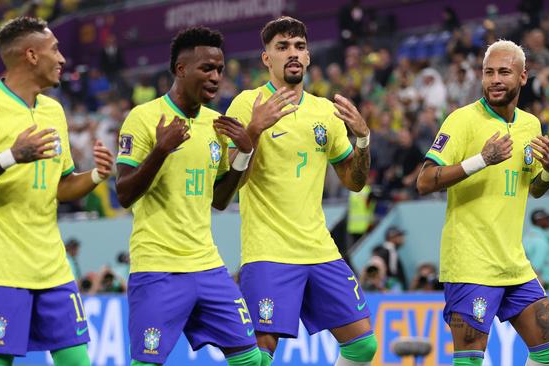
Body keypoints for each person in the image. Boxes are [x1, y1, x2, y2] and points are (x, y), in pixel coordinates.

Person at [0, 16, 114, 365]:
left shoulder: (53, 111)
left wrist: (96, 175)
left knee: (79, 361)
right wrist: (10, 157)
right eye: (55, 50)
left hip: (53, 268)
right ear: (31, 55)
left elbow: (61, 187)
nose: (62, 59)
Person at [226, 17, 375, 366]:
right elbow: (231, 184)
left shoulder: (325, 111)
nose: (292, 54)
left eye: (299, 47)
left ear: (308, 57)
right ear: (267, 59)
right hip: (268, 251)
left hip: (319, 249)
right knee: (257, 357)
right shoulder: (247, 104)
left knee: (363, 346)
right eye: (282, 47)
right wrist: (254, 130)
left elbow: (355, 182)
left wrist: (364, 138)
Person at [115, 27, 260, 366]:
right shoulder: (144, 118)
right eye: (207, 68)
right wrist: (160, 151)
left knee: (251, 359)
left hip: (207, 266)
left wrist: (245, 153)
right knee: (146, 362)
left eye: (220, 70)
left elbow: (220, 200)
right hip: (157, 267)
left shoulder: (217, 125)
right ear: (181, 70)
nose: (216, 77)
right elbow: (123, 193)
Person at [417, 39, 549, 366]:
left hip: (513, 263)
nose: (495, 79)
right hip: (471, 263)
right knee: (469, 360)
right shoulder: (462, 121)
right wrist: (480, 160)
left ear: (523, 77)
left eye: (504, 72)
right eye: (489, 72)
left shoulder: (531, 125)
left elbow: (534, 189)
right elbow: (424, 181)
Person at [523, 209, 549, 283]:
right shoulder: (540, 241)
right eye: (547, 218)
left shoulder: (526, 238)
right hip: (540, 284)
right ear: (539, 221)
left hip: (527, 281)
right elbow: (536, 268)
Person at [376, 226, 408, 291]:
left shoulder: (389, 250)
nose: (403, 238)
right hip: (390, 289)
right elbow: (392, 272)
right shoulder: (388, 250)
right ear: (392, 237)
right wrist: (383, 286)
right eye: (400, 235)